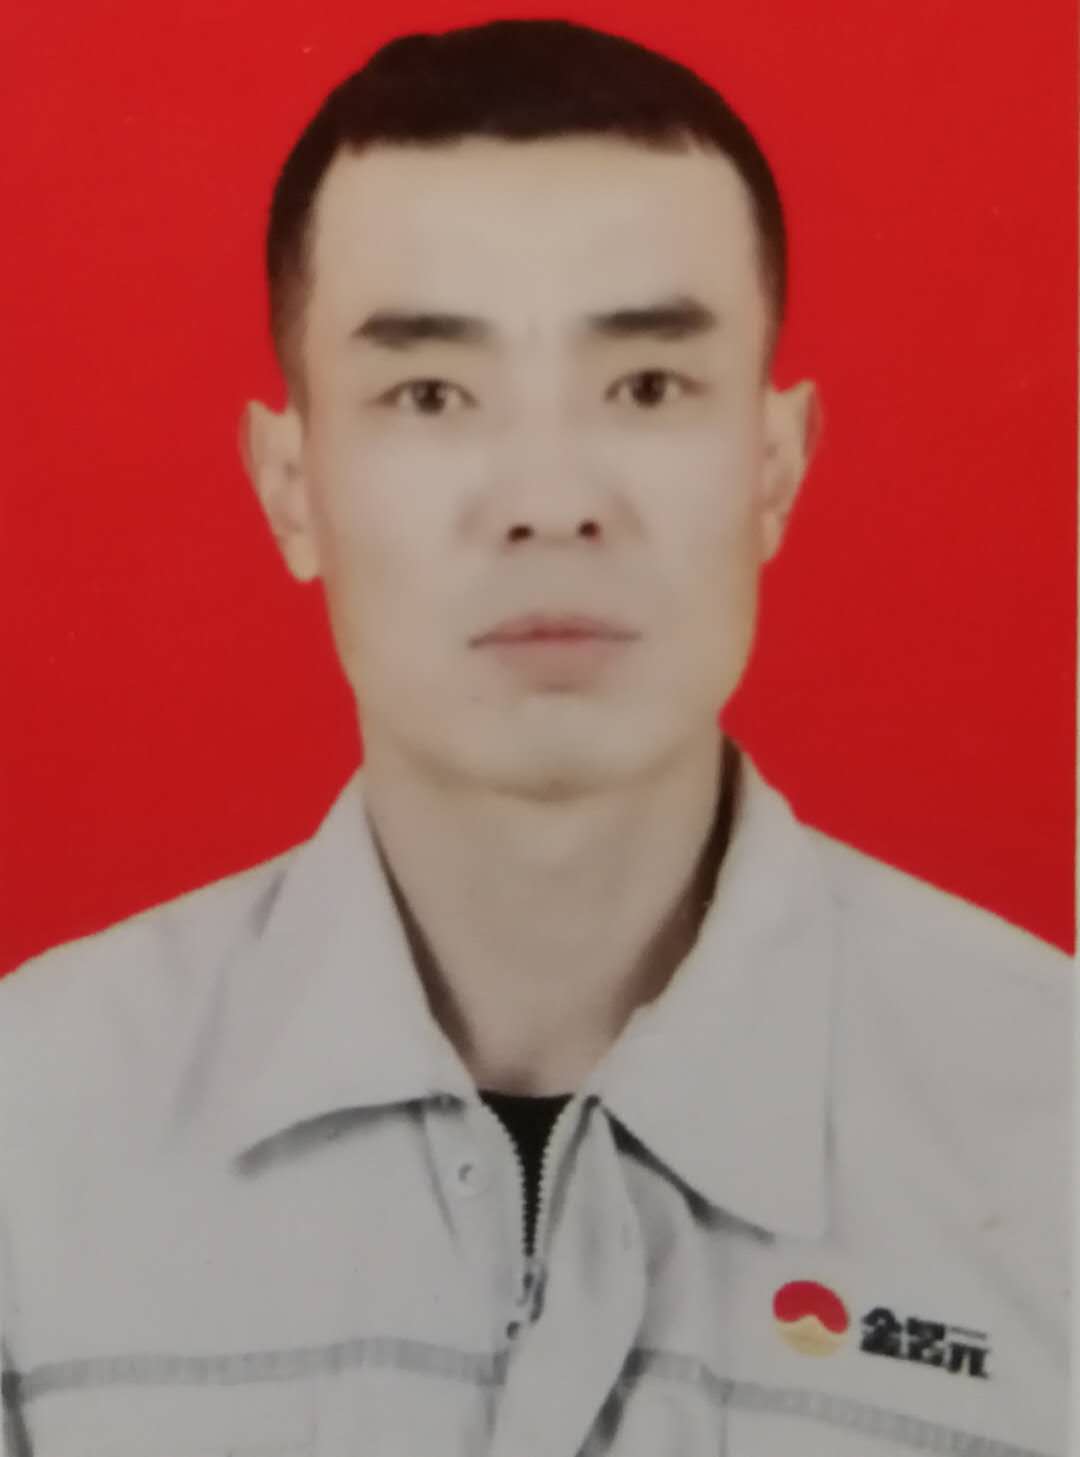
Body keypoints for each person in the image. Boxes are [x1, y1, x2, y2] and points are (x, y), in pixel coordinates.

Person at [0, 18, 1070, 1457]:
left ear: (775, 465)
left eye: (648, 387)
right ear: (291, 484)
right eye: (430, 394)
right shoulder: (32, 1136)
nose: (551, 500)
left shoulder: (1050, 1130)